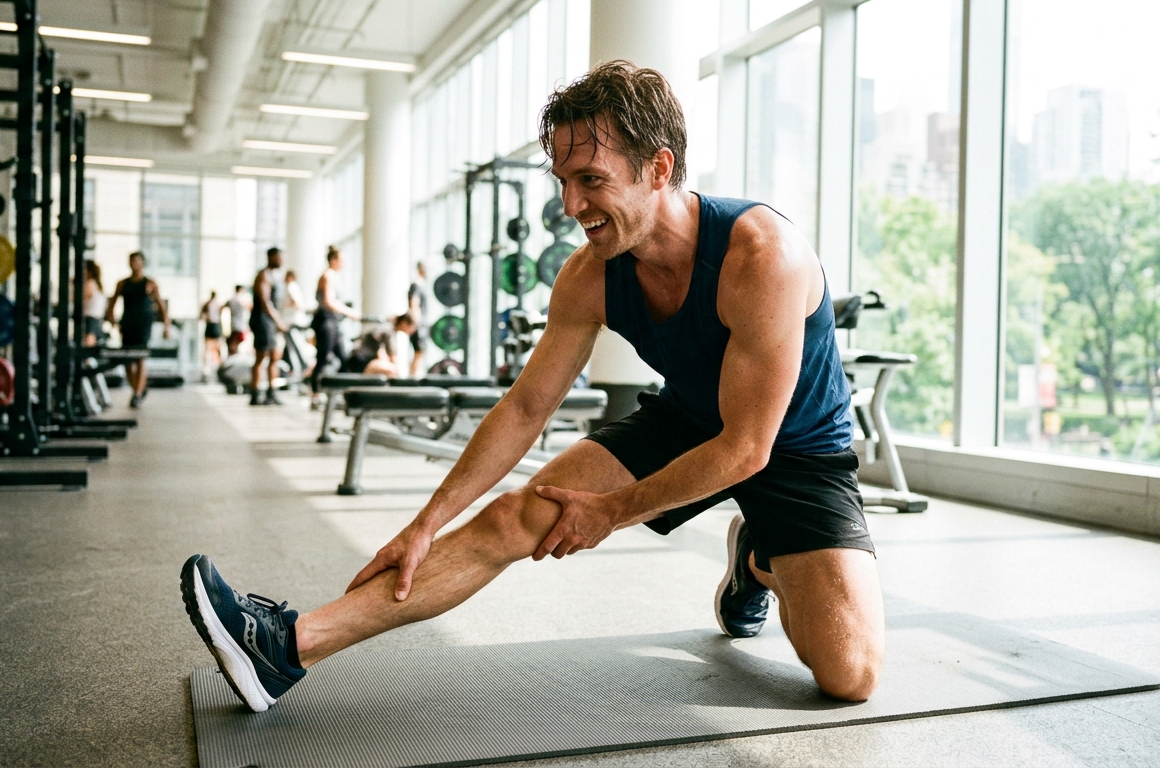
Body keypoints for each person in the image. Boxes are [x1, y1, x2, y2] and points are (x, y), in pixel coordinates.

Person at [180, 61, 882, 714]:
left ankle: (758, 559)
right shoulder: (589, 275)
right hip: (689, 419)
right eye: (563, 183)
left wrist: (612, 512)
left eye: (591, 181)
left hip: (793, 449)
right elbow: (524, 406)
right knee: (519, 516)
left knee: (848, 675)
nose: (571, 204)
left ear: (657, 167)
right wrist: (426, 524)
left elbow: (749, 447)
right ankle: (284, 646)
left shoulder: (761, 257)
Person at [106, 251, 170, 408]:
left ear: (142, 263)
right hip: (127, 323)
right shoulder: (122, 283)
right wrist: (111, 319)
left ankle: (137, 393)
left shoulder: (150, 283)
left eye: (137, 261)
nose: (135, 264)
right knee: (127, 359)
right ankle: (137, 389)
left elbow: (161, 305)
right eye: (132, 261)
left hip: (143, 324)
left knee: (140, 357)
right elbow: (112, 302)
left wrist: (166, 325)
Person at [309, 246, 360, 403]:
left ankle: (343, 393)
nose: (344, 264)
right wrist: (348, 312)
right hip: (326, 321)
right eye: (341, 260)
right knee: (323, 358)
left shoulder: (333, 276)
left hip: (333, 322)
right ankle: (315, 394)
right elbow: (328, 301)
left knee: (343, 358)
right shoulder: (327, 276)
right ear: (333, 260)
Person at [249, 247, 289, 405]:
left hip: (270, 322)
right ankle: (255, 393)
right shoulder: (263, 275)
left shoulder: (275, 276)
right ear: (271, 257)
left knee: (274, 356)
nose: (281, 260)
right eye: (279, 257)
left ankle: (271, 393)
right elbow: (265, 302)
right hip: (263, 321)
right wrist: (278, 320)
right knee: (261, 357)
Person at [344, 314, 415, 377]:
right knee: (392, 370)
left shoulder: (387, 328)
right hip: (361, 361)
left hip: (359, 360)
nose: (413, 331)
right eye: (411, 327)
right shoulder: (388, 331)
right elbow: (392, 357)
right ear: (404, 323)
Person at [406, 261, 428, 377]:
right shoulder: (416, 286)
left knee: (419, 353)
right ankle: (413, 376)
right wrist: (416, 323)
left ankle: (413, 375)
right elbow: (414, 304)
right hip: (418, 324)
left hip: (419, 324)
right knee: (419, 352)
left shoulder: (420, 285)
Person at [81, 260, 107, 348]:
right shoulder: (97, 285)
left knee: (87, 347)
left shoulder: (89, 284)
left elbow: (79, 300)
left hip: (90, 319)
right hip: (97, 319)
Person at [200, 291, 223, 382]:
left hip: (210, 326)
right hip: (215, 326)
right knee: (216, 349)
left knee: (209, 349)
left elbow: (202, 316)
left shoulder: (207, 304)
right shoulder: (217, 305)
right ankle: (214, 367)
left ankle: (209, 368)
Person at [226, 286, 251, 356]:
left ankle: (233, 354)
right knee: (237, 341)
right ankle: (234, 354)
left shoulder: (231, 299)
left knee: (234, 341)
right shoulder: (242, 300)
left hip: (233, 324)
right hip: (241, 324)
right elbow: (250, 307)